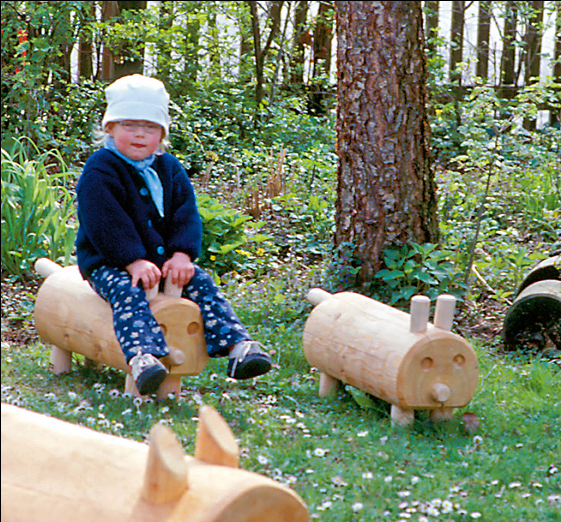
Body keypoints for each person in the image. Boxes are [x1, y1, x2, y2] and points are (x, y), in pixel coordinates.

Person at [76, 74, 271, 395]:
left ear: (162, 133)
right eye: (129, 125)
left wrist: (182, 254)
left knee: (202, 283)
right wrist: (133, 261)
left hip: (164, 262)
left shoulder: (169, 168)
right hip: (109, 263)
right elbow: (104, 223)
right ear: (109, 128)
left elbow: (186, 213)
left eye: (151, 127)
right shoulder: (101, 169)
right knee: (127, 293)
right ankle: (144, 356)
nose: (140, 134)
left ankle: (238, 345)